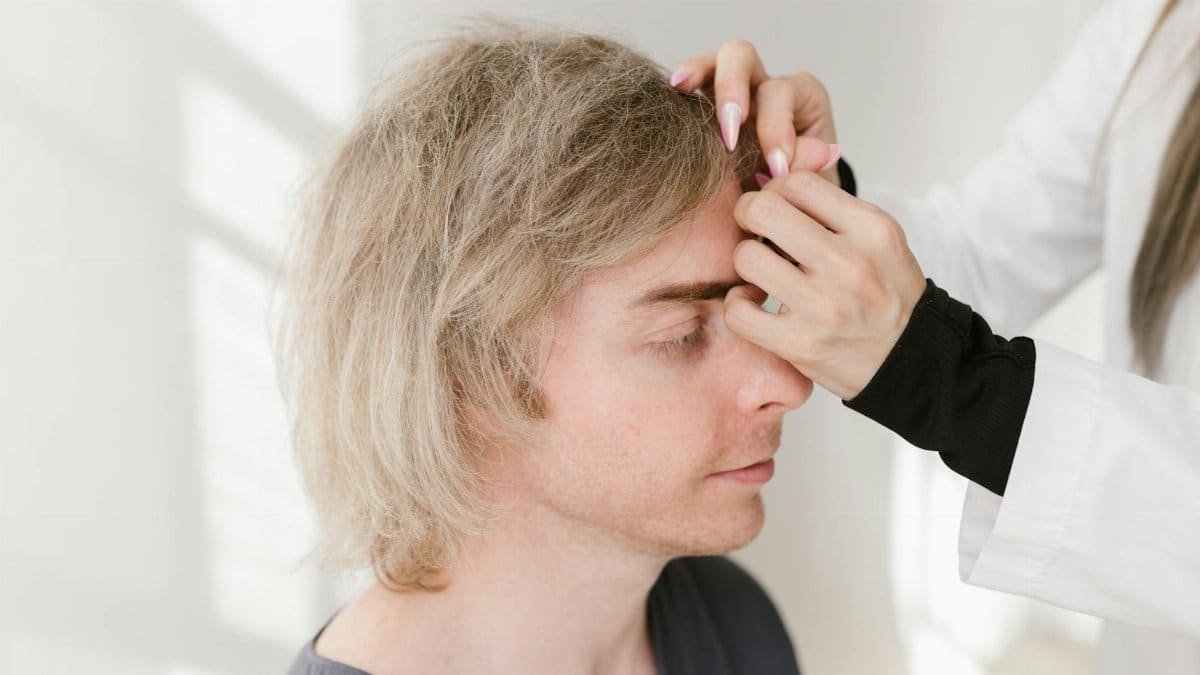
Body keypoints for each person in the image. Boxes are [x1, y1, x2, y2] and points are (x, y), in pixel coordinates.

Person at [671, 0, 1200, 671]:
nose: (783, 392)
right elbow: (982, 253)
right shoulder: (1162, 31)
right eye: (680, 332)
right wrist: (821, 200)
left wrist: (959, 385)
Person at [276, 24, 817, 675]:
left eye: (757, 305)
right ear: (474, 377)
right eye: (681, 335)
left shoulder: (732, 620)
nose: (787, 382)